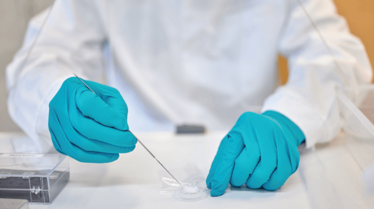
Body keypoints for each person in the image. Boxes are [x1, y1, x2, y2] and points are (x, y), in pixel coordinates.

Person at [6, 0, 372, 197]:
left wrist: (289, 117)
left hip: (249, 154)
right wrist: (54, 94)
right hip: (132, 166)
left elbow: (339, 57)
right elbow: (42, 57)